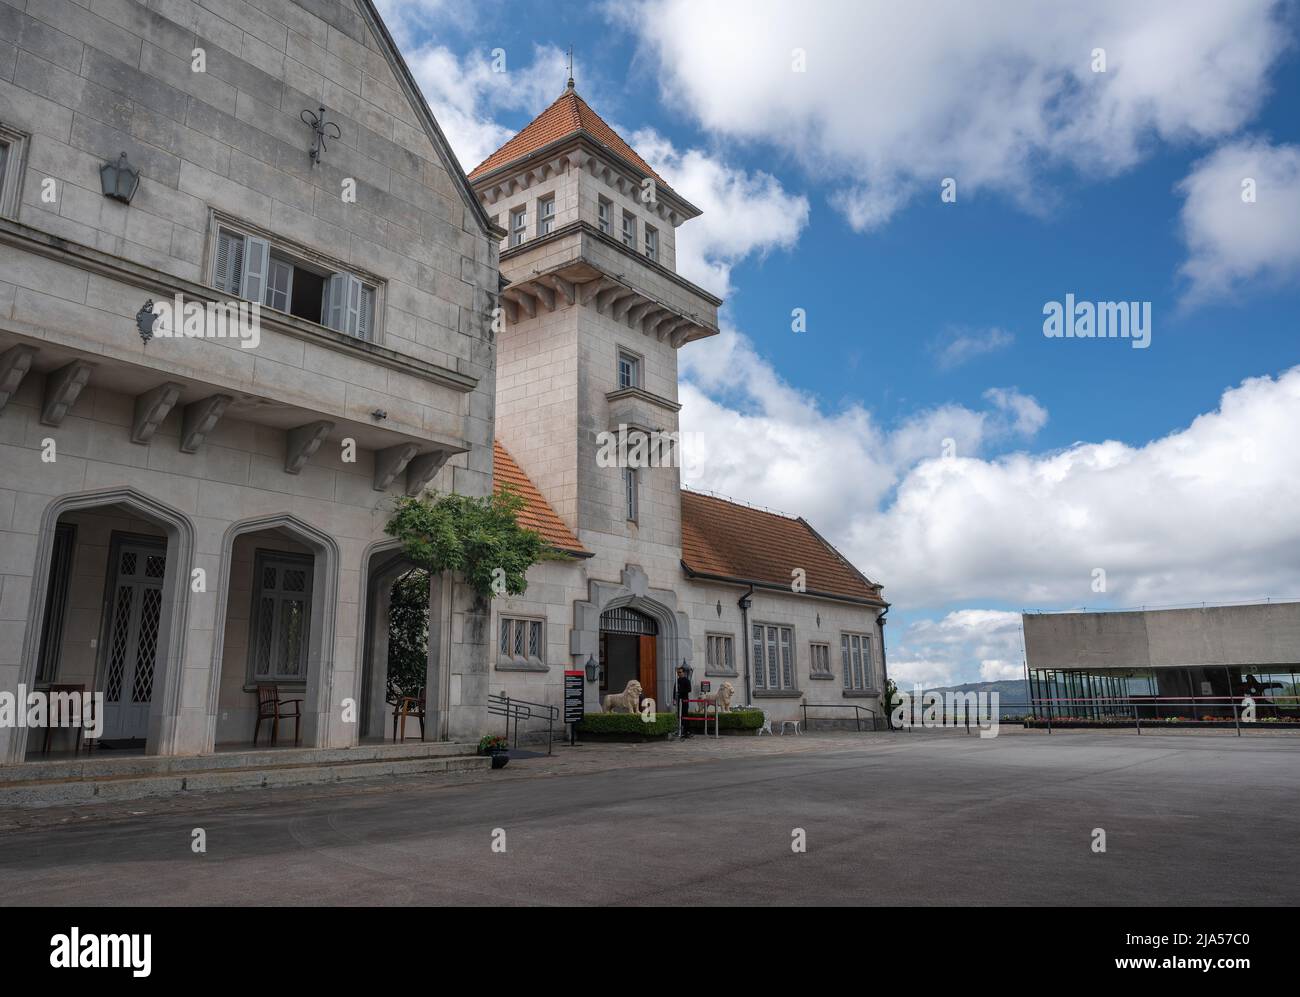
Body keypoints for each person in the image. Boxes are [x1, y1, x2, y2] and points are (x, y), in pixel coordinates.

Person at [676, 666, 693, 738]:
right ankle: (680, 730)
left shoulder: (686, 680)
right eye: (678, 672)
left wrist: (680, 692)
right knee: (679, 715)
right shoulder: (677, 680)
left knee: (685, 715)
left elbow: (689, 689)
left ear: (683, 672)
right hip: (678, 700)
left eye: (680, 672)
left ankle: (687, 731)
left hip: (685, 700)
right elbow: (675, 690)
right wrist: (674, 698)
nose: (679, 674)